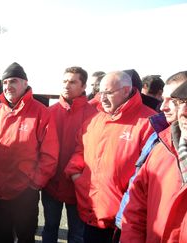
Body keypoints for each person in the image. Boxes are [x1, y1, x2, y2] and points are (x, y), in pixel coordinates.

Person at [65, 71, 155, 243]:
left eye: (109, 93)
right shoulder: (95, 120)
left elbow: (150, 175)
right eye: (101, 92)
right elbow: (80, 149)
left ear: (126, 90)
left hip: (125, 220)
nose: (102, 98)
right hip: (92, 211)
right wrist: (77, 176)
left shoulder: (148, 122)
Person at [0, 62, 59, 243]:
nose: (8, 86)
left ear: (25, 83)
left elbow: (49, 155)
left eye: (13, 81)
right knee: (2, 235)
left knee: (25, 236)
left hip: (25, 193)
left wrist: (34, 184)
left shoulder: (41, 113)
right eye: (5, 82)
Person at [120, 71, 187, 242]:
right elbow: (136, 206)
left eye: (175, 101)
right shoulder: (160, 145)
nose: (163, 107)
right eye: (180, 102)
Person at [43, 67, 97, 243]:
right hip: (51, 183)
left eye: (73, 82)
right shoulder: (49, 113)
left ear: (83, 87)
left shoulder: (94, 115)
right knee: (49, 229)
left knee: (76, 234)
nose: (67, 85)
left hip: (78, 187)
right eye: (65, 81)